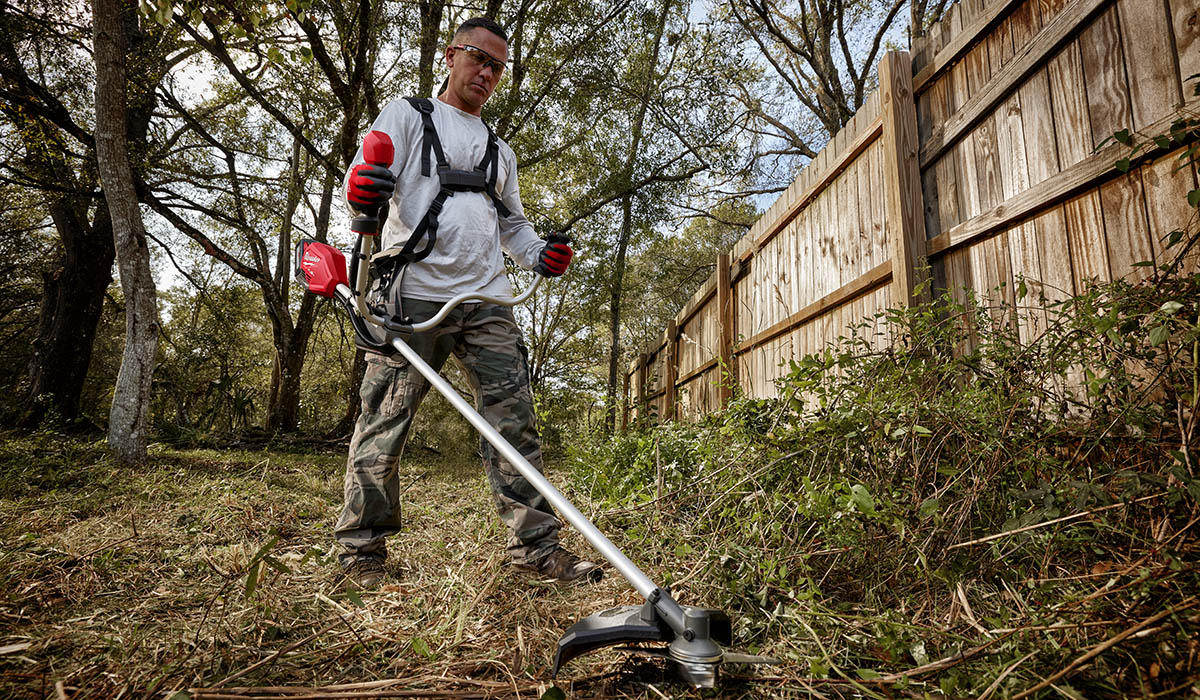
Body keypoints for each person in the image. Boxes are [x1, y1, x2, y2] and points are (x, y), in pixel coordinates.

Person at [334, 16, 600, 590]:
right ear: (451, 57)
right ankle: (362, 554)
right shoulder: (407, 115)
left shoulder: (498, 150)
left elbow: (517, 230)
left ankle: (536, 551)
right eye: (478, 58)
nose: (487, 72)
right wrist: (363, 188)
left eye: (498, 66)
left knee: (515, 425)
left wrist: (541, 255)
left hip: (488, 302)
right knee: (384, 421)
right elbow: (366, 177)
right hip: (411, 296)